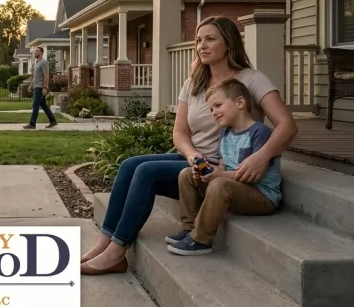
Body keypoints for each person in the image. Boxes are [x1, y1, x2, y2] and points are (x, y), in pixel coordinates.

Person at [80, 16, 297, 275]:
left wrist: (262, 157)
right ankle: (105, 242)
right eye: (198, 40)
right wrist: (192, 155)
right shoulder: (193, 82)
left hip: (226, 169)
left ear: (228, 43)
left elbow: (287, 125)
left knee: (146, 173)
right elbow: (180, 132)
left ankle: (117, 252)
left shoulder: (251, 80)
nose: (201, 46)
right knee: (129, 165)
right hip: (197, 163)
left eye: (210, 39)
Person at [167, 78, 281, 255]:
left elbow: (254, 176)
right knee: (186, 174)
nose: (214, 112)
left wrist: (219, 177)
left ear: (240, 103)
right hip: (235, 190)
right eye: (211, 109)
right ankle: (189, 229)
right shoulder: (226, 133)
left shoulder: (260, 133)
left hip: (261, 195)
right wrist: (208, 172)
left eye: (218, 105)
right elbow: (223, 168)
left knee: (220, 184)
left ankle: (201, 240)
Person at [23, 46, 58, 129]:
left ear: (41, 52)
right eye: (35, 51)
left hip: (40, 87)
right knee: (43, 105)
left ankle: (32, 124)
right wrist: (31, 86)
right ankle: (53, 121)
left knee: (35, 105)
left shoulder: (44, 62)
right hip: (36, 86)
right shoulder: (37, 63)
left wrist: (45, 87)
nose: (35, 52)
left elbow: (46, 76)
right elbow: (35, 77)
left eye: (37, 51)